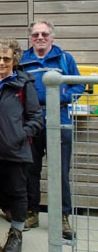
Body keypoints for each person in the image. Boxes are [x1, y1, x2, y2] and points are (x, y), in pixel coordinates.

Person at [0, 38, 43, 252]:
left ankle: (16, 233)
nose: (1, 62)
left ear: (14, 59)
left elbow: (36, 117)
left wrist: (20, 135)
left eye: (6, 58)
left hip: (14, 148)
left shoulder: (25, 84)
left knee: (16, 192)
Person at [20, 21, 84, 239]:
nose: (40, 37)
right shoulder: (23, 61)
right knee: (30, 170)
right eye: (36, 34)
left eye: (44, 34)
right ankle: (31, 212)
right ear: (30, 37)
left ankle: (62, 216)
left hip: (60, 121)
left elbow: (79, 85)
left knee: (60, 172)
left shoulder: (65, 59)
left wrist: (57, 98)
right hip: (31, 123)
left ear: (52, 37)